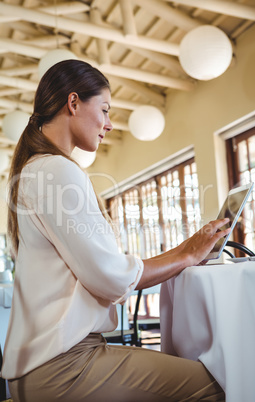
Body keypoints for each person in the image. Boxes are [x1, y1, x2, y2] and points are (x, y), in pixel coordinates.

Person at [2, 59, 230, 402]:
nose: (109, 124)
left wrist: (185, 250)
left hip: (41, 367)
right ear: (73, 102)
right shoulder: (57, 172)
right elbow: (109, 277)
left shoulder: (36, 171)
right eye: (105, 110)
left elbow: (107, 266)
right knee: (213, 386)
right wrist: (186, 254)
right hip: (65, 367)